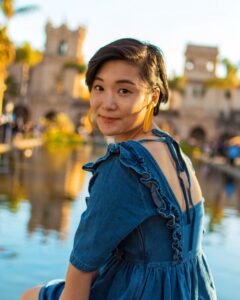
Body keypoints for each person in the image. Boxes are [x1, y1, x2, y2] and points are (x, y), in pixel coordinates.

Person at [20, 38, 217, 300]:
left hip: (139, 293)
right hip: (188, 292)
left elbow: (79, 277)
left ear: (153, 96)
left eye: (124, 91)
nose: (106, 103)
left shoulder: (125, 165)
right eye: (99, 88)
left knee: (30, 296)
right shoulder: (174, 151)